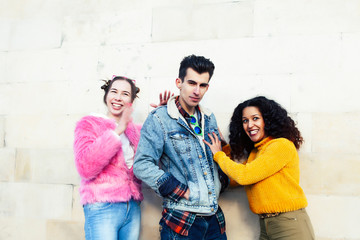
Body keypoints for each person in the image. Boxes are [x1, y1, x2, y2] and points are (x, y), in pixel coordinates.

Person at [133, 55, 228, 240]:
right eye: (192, 83)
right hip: (182, 220)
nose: (197, 91)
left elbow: (212, 157)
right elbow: (142, 164)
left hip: (215, 218)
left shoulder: (209, 117)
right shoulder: (160, 118)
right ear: (179, 82)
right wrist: (181, 190)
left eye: (203, 85)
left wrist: (221, 182)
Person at [73, 75, 171, 240]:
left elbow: (156, 157)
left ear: (131, 100)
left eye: (125, 94)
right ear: (106, 95)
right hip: (102, 207)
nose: (118, 97)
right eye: (114, 91)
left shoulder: (136, 131)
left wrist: (161, 117)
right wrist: (118, 130)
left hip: (132, 208)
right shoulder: (89, 124)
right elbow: (85, 167)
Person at [204, 96, 315, 240]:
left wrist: (218, 155)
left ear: (267, 120)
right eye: (245, 120)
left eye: (255, 118)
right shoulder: (257, 153)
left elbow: (244, 176)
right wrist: (225, 148)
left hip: (289, 224)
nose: (250, 125)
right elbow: (232, 180)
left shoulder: (281, 146)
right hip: (266, 224)